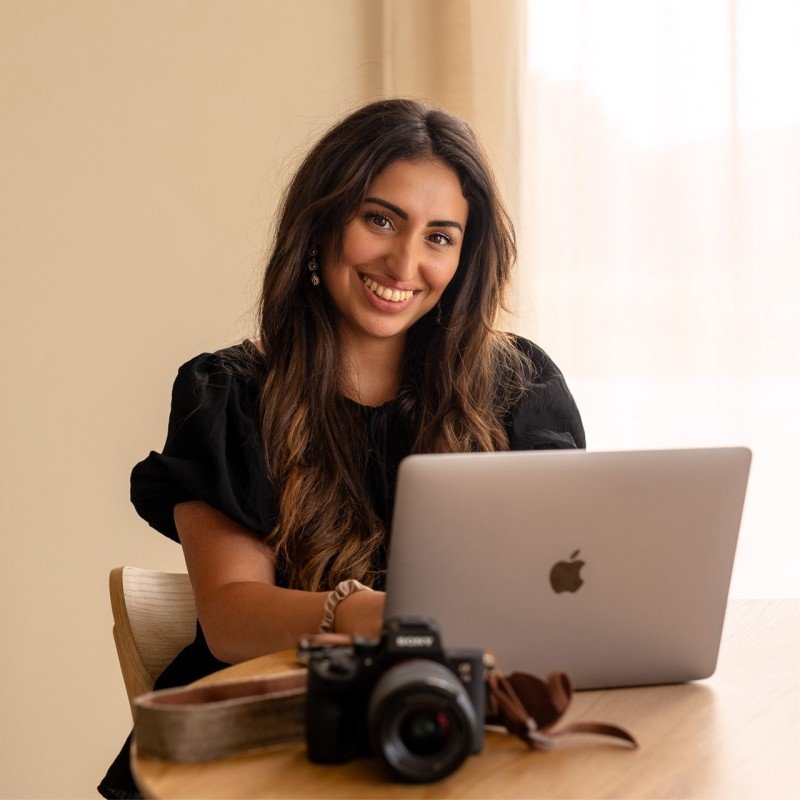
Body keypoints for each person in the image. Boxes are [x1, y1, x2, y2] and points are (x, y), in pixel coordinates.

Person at [98, 97, 585, 798]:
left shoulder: (519, 387)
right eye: (380, 220)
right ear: (322, 222)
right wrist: (369, 615)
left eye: (440, 237)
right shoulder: (230, 392)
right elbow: (232, 617)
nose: (405, 261)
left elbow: (563, 585)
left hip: (454, 739)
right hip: (272, 752)